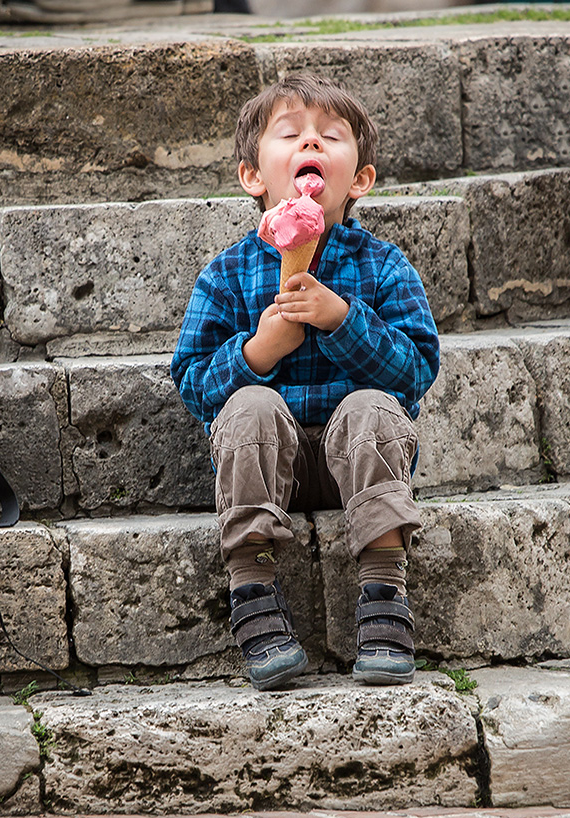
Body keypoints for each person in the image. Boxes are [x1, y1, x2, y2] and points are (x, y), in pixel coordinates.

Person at [171, 74, 439, 690]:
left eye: (330, 138)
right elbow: (192, 383)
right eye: (290, 135)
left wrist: (342, 322)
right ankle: (253, 589)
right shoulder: (228, 273)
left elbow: (417, 369)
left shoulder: (384, 266)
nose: (310, 145)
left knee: (373, 405)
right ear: (253, 177)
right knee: (250, 407)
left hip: (361, 458)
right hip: (270, 466)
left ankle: (384, 589)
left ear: (360, 179)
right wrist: (260, 350)